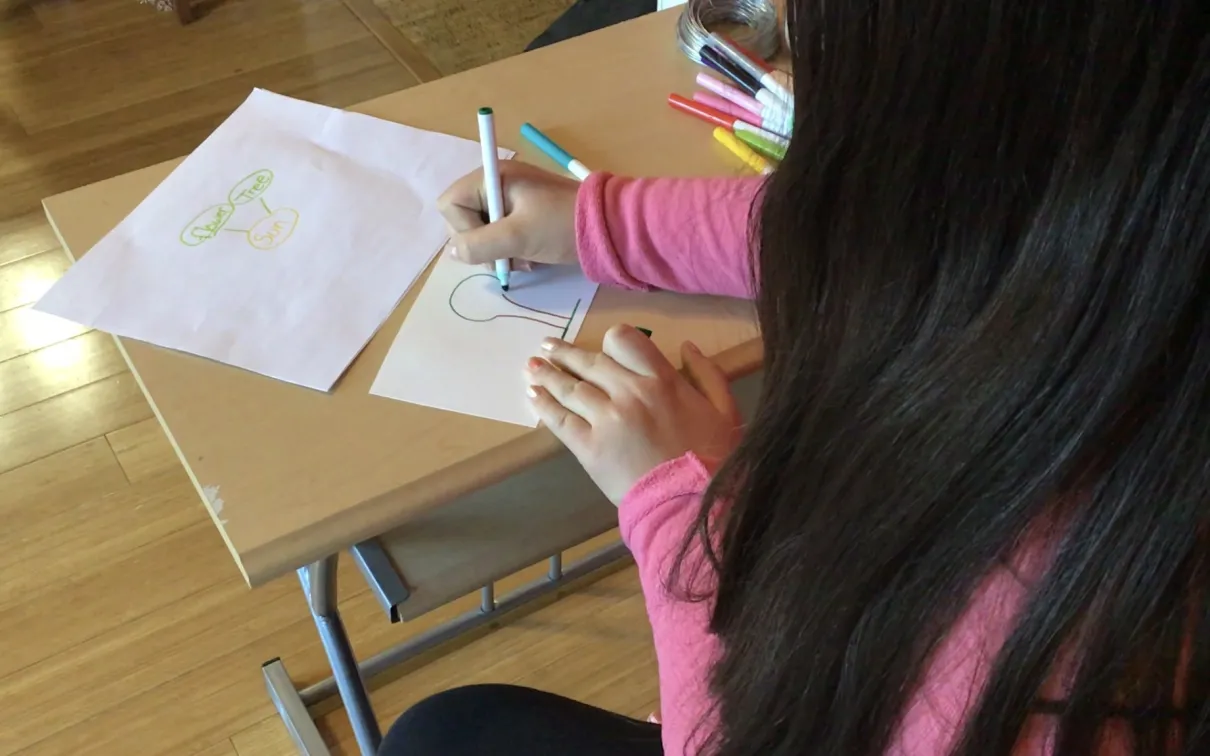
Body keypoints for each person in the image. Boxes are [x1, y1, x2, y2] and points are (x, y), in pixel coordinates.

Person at [379, 1, 1209, 754]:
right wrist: (600, 219)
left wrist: (680, 510)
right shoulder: (1140, 261)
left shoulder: (1042, 661)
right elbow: (895, 228)